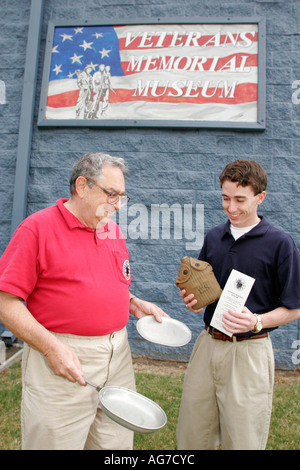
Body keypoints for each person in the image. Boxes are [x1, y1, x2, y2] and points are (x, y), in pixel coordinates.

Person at [0, 152, 168, 450]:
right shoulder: (36, 229)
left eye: (122, 197)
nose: (117, 205)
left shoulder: (111, 229)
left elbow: (104, 279)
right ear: (82, 186)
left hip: (118, 357)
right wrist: (51, 348)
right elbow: (6, 301)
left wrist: (131, 302)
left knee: (113, 445)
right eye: (112, 194)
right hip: (61, 357)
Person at [177, 159, 300, 450]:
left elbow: (295, 307)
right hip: (207, 346)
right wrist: (194, 302)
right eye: (225, 198)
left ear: (261, 197)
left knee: (242, 440)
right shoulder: (213, 237)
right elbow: (204, 288)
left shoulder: (281, 244)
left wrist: (257, 321)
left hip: (249, 351)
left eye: (240, 200)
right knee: (192, 436)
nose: (231, 208)